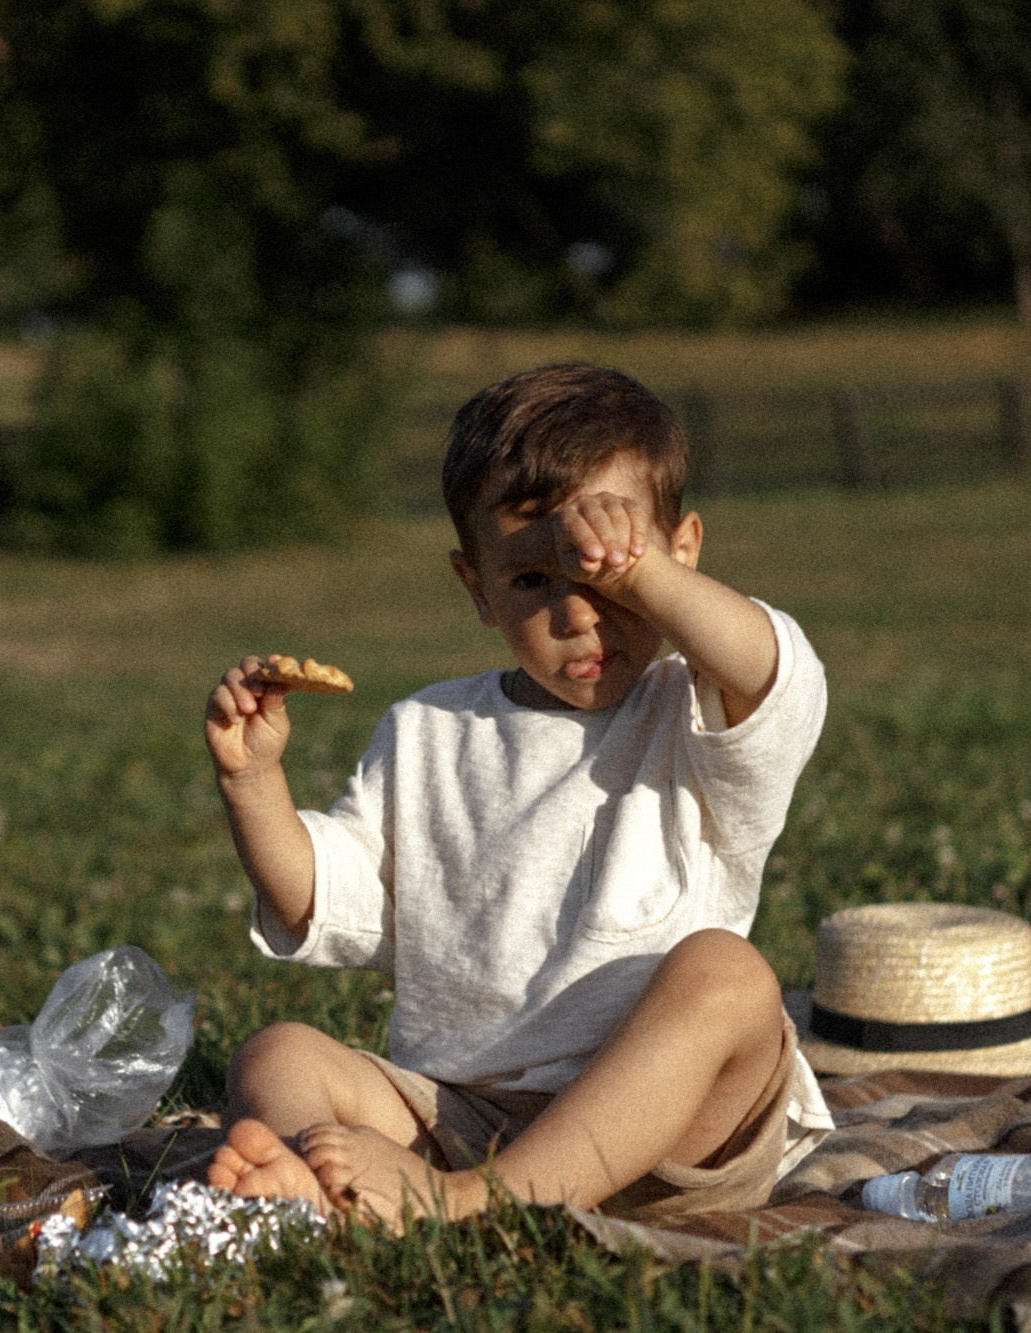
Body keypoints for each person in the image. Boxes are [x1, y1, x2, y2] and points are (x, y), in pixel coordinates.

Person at [201, 363, 831, 1227]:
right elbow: (318, 897)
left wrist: (644, 577)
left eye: (607, 574)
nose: (578, 613)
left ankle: (462, 1205)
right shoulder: (429, 729)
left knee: (729, 977)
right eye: (534, 580)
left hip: (668, 1132)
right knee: (278, 1054)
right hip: (461, 1116)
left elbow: (775, 669)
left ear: (680, 553)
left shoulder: (699, 706)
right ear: (479, 588)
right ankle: (327, 1193)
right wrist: (252, 781)